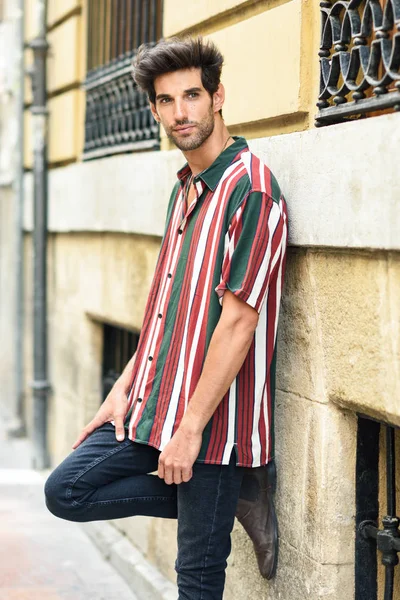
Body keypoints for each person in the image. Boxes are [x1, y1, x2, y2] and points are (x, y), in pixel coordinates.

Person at [44, 36, 288, 600]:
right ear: (154, 111)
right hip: (156, 407)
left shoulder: (249, 190)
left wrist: (190, 431)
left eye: (192, 95)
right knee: (66, 490)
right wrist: (124, 387)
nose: (181, 112)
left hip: (213, 429)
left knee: (196, 583)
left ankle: (233, 490)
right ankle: (237, 501)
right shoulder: (185, 190)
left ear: (217, 96)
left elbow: (238, 325)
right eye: (167, 101)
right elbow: (163, 310)